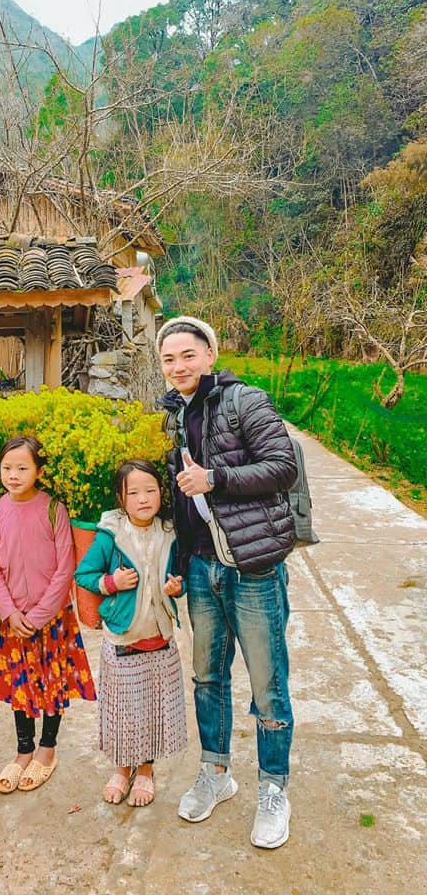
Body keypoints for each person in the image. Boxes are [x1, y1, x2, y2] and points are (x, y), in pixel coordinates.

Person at [157, 315, 298, 850]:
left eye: (188, 355)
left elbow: (282, 465)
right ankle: (216, 773)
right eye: (168, 359)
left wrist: (216, 479)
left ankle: (273, 787)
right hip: (201, 567)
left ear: (210, 356)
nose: (178, 367)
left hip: (253, 568)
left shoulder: (246, 401)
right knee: (208, 678)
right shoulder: (172, 414)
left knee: (268, 683)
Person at [0, 436, 97, 794]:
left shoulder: (53, 509)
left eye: (22, 468)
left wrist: (42, 613)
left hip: (53, 618)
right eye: (7, 468)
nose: (13, 475)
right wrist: (10, 612)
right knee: (21, 686)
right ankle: (23, 750)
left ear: (39, 471)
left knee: (53, 684)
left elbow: (66, 566)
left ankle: (47, 750)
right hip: (14, 621)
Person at [74, 459, 188, 808]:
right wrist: (111, 583)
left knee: (153, 712)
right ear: (120, 499)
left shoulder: (169, 532)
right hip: (123, 641)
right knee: (124, 711)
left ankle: (146, 772)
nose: (143, 499)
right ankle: (121, 770)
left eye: (150, 490)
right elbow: (83, 575)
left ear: (161, 493)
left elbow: (179, 578)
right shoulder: (111, 535)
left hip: (159, 638)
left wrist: (176, 588)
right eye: (133, 492)